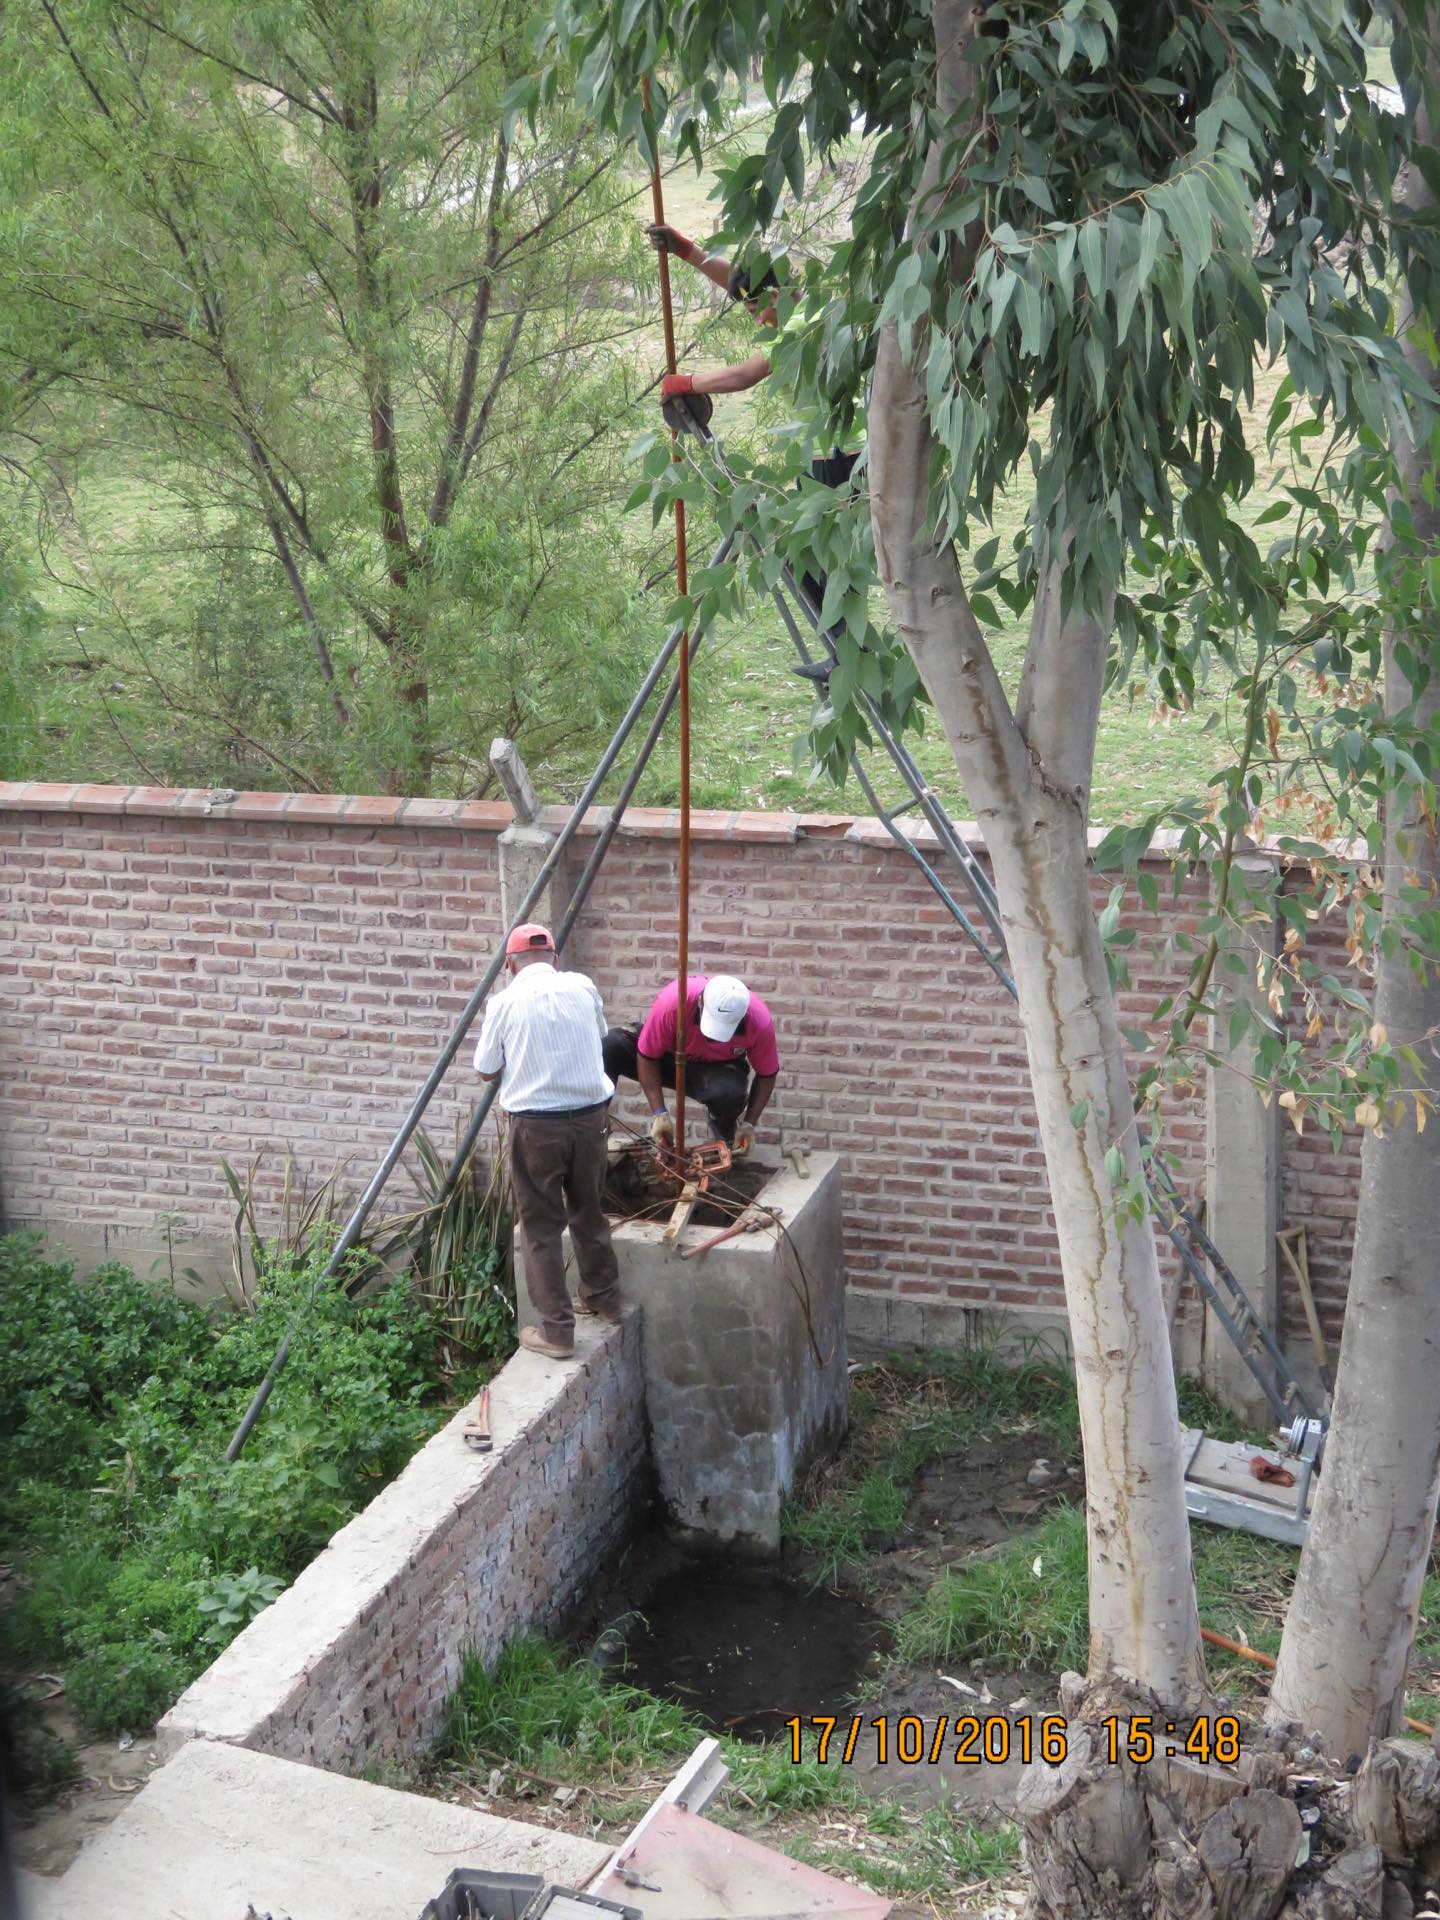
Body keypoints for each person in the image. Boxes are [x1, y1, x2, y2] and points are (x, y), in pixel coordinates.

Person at [645, 222, 861, 680]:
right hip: (820, 452)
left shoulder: (803, 325)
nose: (756, 320)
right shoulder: (798, 302)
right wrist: (687, 250)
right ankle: (844, 650)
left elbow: (744, 375)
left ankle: (848, 654)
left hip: (841, 455)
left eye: (759, 311)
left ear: (778, 296)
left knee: (817, 554)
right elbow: (743, 283)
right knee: (802, 554)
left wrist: (685, 382)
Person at [475, 923, 623, 1361]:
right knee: (589, 1210)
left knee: (540, 1228)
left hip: (537, 1127)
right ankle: (605, 1297)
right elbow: (599, 1037)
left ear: (509, 964)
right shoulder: (582, 987)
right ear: (555, 958)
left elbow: (485, 1069)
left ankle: (558, 1332)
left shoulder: (503, 1002)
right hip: (590, 1119)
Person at [602, 973, 779, 1152]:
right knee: (610, 1046)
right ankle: (596, 1133)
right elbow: (647, 1056)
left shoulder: (759, 1021)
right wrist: (659, 1114)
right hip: (667, 1058)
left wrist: (749, 1124)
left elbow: (767, 1075)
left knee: (730, 1092)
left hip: (714, 1071)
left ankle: (726, 1133)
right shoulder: (673, 1002)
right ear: (701, 1002)